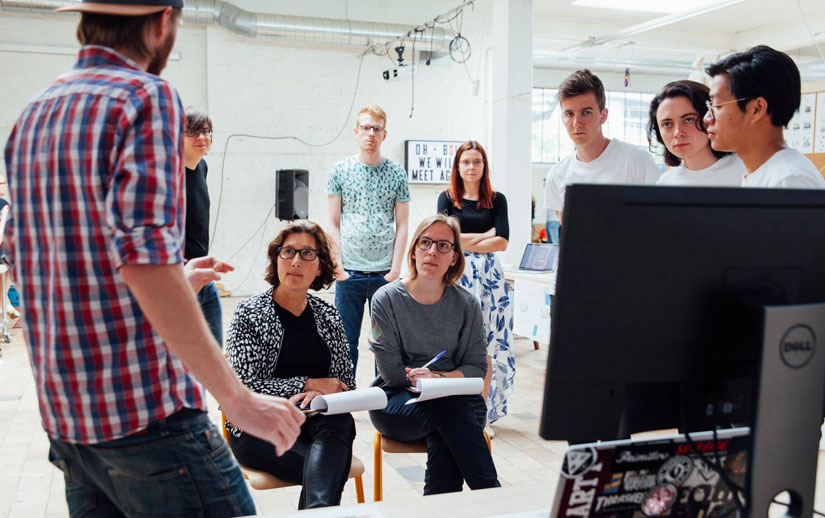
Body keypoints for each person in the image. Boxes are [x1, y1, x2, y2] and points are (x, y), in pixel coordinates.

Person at [3, 2, 304, 516]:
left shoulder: (33, 115)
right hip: (145, 417)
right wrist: (238, 400)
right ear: (163, 21)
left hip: (69, 422)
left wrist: (177, 279)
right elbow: (144, 263)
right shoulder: (144, 96)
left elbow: (42, 265)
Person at [225, 220, 356, 510]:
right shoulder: (249, 313)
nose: (296, 261)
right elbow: (242, 386)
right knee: (327, 468)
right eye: (288, 252)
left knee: (340, 424)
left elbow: (344, 382)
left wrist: (321, 394)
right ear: (277, 259)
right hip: (259, 425)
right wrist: (307, 384)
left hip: (316, 422)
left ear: (319, 267)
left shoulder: (328, 315)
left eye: (307, 253)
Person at [368, 214, 500, 495]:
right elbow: (391, 373)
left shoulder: (467, 304)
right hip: (395, 402)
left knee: (449, 427)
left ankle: (442, 507)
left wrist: (437, 379)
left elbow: (476, 367)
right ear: (414, 251)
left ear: (454, 257)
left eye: (443, 246)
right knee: (455, 412)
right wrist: (437, 382)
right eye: (425, 243)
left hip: (455, 401)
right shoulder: (385, 299)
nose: (432, 251)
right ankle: (493, 497)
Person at [327, 105, 410, 373]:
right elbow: (333, 223)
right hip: (349, 273)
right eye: (365, 128)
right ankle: (345, 394)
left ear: (384, 134)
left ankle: (382, 395)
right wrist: (338, 267)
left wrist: (395, 270)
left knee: (384, 344)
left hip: (384, 274)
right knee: (345, 343)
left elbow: (403, 224)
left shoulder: (396, 173)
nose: (370, 133)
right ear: (356, 131)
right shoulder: (340, 171)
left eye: (376, 128)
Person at [436, 141, 513, 428]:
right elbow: (444, 238)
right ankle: (453, 411)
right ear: (457, 166)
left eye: (477, 162)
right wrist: (485, 234)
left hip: (489, 279)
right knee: (455, 343)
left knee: (487, 344)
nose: (472, 167)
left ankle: (482, 417)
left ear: (484, 166)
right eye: (466, 162)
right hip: (456, 274)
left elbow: (502, 242)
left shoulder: (497, 199)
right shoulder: (446, 198)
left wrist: (462, 239)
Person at [544, 69, 660, 224]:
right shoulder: (557, 175)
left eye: (586, 113)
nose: (576, 123)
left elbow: (659, 224)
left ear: (603, 115)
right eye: (569, 114)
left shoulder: (636, 161)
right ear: (562, 118)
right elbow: (569, 234)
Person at [704, 45, 825, 188]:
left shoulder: (789, 181)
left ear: (757, 109)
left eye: (717, 105)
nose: (707, 118)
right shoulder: (763, 173)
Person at [648, 80, 745, 186]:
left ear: (710, 117)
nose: (677, 133)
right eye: (667, 124)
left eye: (688, 120)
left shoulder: (746, 169)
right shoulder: (665, 183)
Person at [183, 106, 224, 346]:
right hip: (182, 277)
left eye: (206, 131)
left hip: (204, 276)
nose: (202, 137)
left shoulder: (202, 167)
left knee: (216, 350)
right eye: (193, 132)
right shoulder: (169, 174)